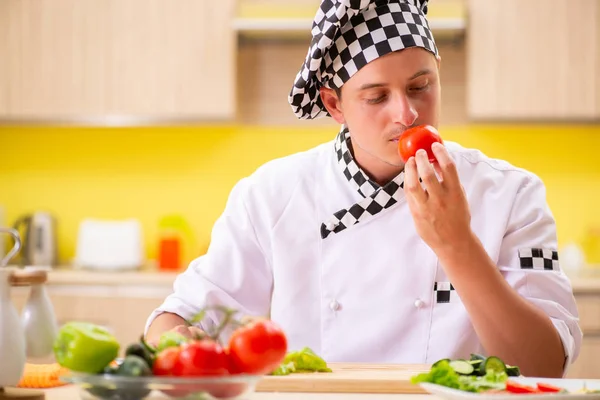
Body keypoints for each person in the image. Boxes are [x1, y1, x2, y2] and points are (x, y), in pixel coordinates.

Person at [145, 0, 581, 378]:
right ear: (334, 104)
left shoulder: (510, 194)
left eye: (420, 86)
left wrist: (457, 245)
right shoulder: (271, 194)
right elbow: (177, 317)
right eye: (376, 97)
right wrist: (173, 340)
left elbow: (544, 366)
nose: (407, 114)